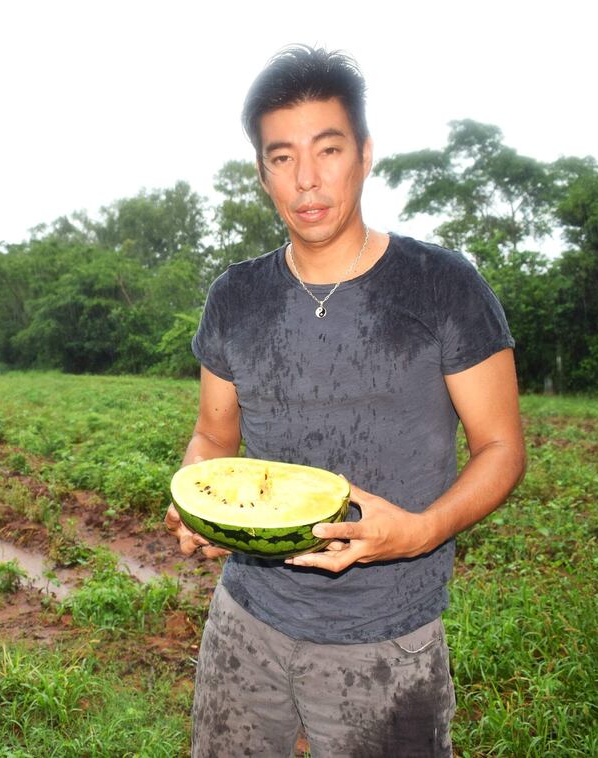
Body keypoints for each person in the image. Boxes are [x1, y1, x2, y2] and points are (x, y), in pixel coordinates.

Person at [164, 44, 526, 758]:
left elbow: (502, 447)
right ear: (262, 172)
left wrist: (421, 532)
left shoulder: (443, 286)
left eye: (328, 150)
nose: (307, 179)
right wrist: (197, 502)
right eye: (281, 157)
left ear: (364, 154)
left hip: (387, 636)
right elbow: (212, 437)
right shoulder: (235, 297)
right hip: (246, 621)